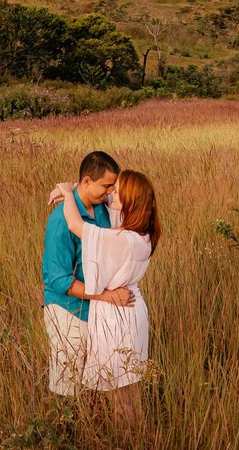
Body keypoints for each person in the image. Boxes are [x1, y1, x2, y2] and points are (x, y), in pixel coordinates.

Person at [51, 169, 160, 426]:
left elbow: (76, 225)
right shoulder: (142, 233)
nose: (111, 193)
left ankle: (129, 449)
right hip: (132, 310)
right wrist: (80, 188)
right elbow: (108, 207)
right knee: (130, 388)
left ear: (130, 201)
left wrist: (68, 193)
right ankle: (138, 440)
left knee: (120, 395)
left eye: (118, 191)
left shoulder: (122, 239)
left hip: (117, 315)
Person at [41, 151, 132, 397]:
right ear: (88, 181)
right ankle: (62, 432)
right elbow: (58, 280)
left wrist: (68, 189)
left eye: (113, 186)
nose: (110, 192)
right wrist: (107, 296)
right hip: (68, 311)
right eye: (106, 186)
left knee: (93, 384)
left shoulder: (102, 208)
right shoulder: (61, 220)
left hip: (95, 311)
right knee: (66, 388)